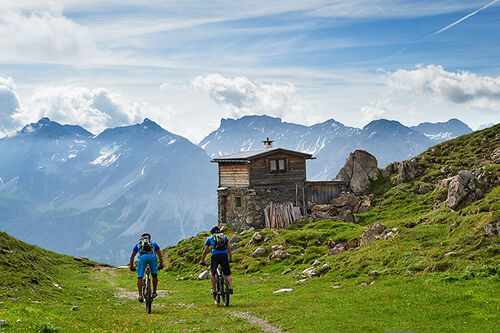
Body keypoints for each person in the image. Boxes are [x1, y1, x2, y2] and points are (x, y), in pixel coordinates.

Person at [129, 233, 164, 302]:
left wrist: (131, 266)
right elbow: (160, 255)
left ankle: (140, 295)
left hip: (142, 258)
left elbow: (132, 257)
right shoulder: (153, 244)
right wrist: (161, 265)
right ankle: (154, 292)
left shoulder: (138, 245)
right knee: (154, 275)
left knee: (140, 277)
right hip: (152, 257)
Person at [200, 225, 233, 296]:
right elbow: (229, 249)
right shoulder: (225, 237)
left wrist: (202, 260)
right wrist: (230, 258)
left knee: (212, 273)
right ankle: (230, 288)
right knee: (227, 273)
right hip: (224, 255)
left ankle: (214, 290)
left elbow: (205, 251)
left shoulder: (210, 238)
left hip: (215, 256)